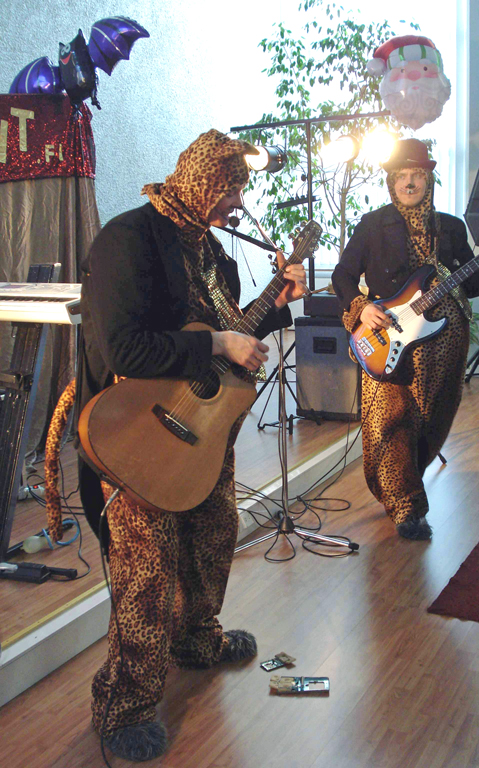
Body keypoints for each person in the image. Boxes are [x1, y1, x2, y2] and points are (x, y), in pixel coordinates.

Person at [74, 129, 308, 761]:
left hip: (203, 431)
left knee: (214, 534)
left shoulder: (211, 252)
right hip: (138, 434)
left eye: (241, 189)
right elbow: (123, 349)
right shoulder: (129, 239)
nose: (239, 202)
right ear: (203, 181)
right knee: (146, 574)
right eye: (231, 188)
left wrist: (279, 305)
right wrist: (216, 343)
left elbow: (232, 335)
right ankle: (123, 707)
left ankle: (197, 640)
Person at [331, 138, 479, 541]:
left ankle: (405, 487)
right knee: (390, 423)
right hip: (388, 341)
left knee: (432, 424)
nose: (408, 182)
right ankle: (407, 507)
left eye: (416, 174)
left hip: (443, 349)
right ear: (391, 181)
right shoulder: (373, 225)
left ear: (428, 179)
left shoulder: (450, 228)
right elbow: (342, 276)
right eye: (401, 175)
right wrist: (361, 307)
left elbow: (470, 283)